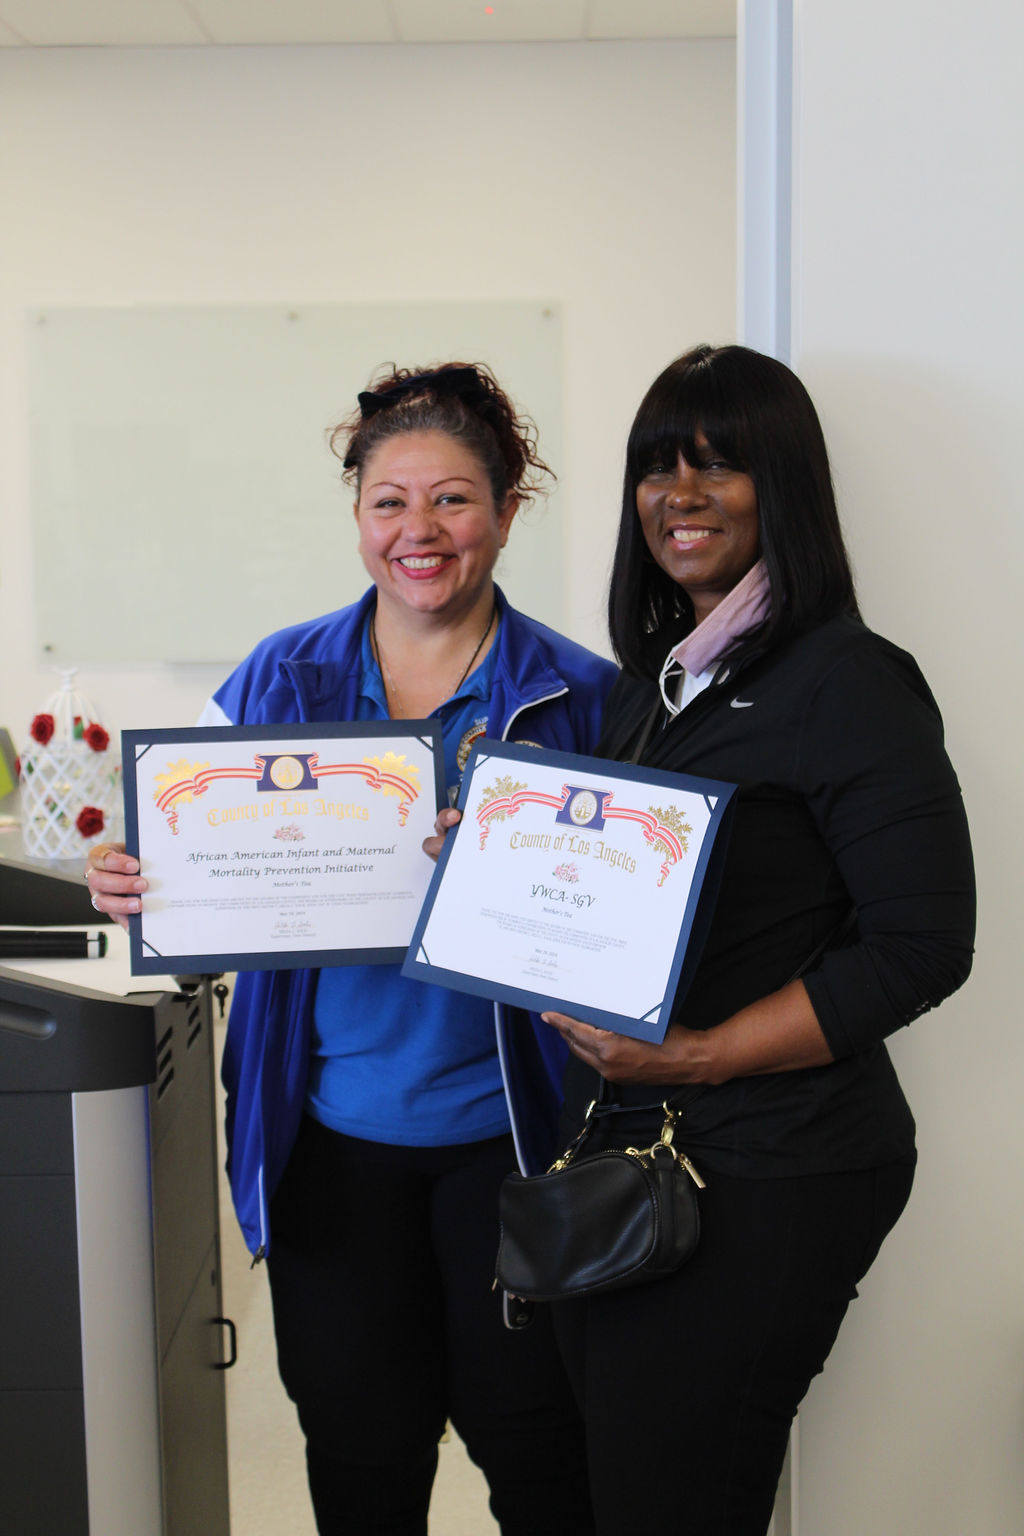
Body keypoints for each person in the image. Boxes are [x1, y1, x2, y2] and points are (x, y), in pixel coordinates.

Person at [87, 361, 616, 1536]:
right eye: (389, 502)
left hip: (520, 1145)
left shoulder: (581, 698)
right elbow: (185, 881)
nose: (418, 531)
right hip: (327, 1141)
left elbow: (634, 929)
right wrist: (136, 883)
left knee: (536, 1448)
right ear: (358, 514)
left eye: (452, 499)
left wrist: (522, 869)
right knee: (360, 1450)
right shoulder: (278, 677)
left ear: (507, 510)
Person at [536, 344, 976, 1535]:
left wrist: (698, 1055)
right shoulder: (649, 688)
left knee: (674, 1501)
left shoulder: (848, 682)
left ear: (779, 486)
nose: (679, 496)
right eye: (657, 468)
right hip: (643, 1155)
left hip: (775, 1164)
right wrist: (495, 868)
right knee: (631, 1492)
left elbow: (921, 944)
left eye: (717, 466)